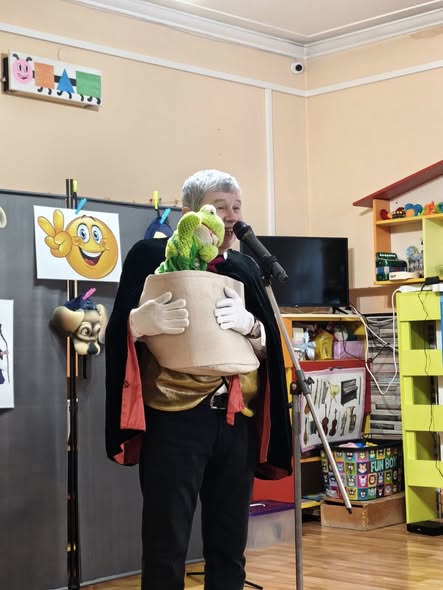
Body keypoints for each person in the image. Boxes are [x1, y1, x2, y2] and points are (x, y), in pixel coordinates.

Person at [105, 169, 292, 590]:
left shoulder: (245, 266)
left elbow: (269, 352)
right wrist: (138, 323)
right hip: (174, 421)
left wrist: (253, 327)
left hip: (235, 420)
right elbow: (118, 333)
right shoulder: (148, 256)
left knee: (230, 546)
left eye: (236, 207)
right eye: (219, 207)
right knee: (165, 542)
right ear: (188, 212)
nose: (230, 216)